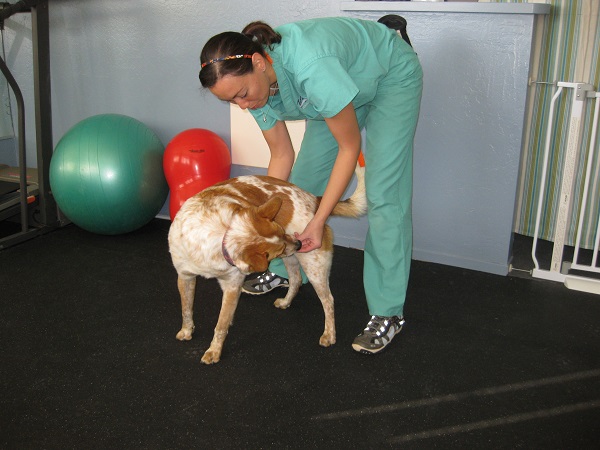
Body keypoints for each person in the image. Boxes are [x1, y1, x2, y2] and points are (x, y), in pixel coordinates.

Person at [198, 16, 423, 355]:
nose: (242, 105)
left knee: (384, 195)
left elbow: (350, 149)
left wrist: (318, 222)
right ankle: (281, 268)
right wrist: (258, 223)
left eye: (242, 94)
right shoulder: (254, 87)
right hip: (337, 90)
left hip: (390, 77)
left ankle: (387, 311)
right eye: (232, 102)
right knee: (298, 187)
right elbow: (281, 156)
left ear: (259, 62)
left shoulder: (309, 67)